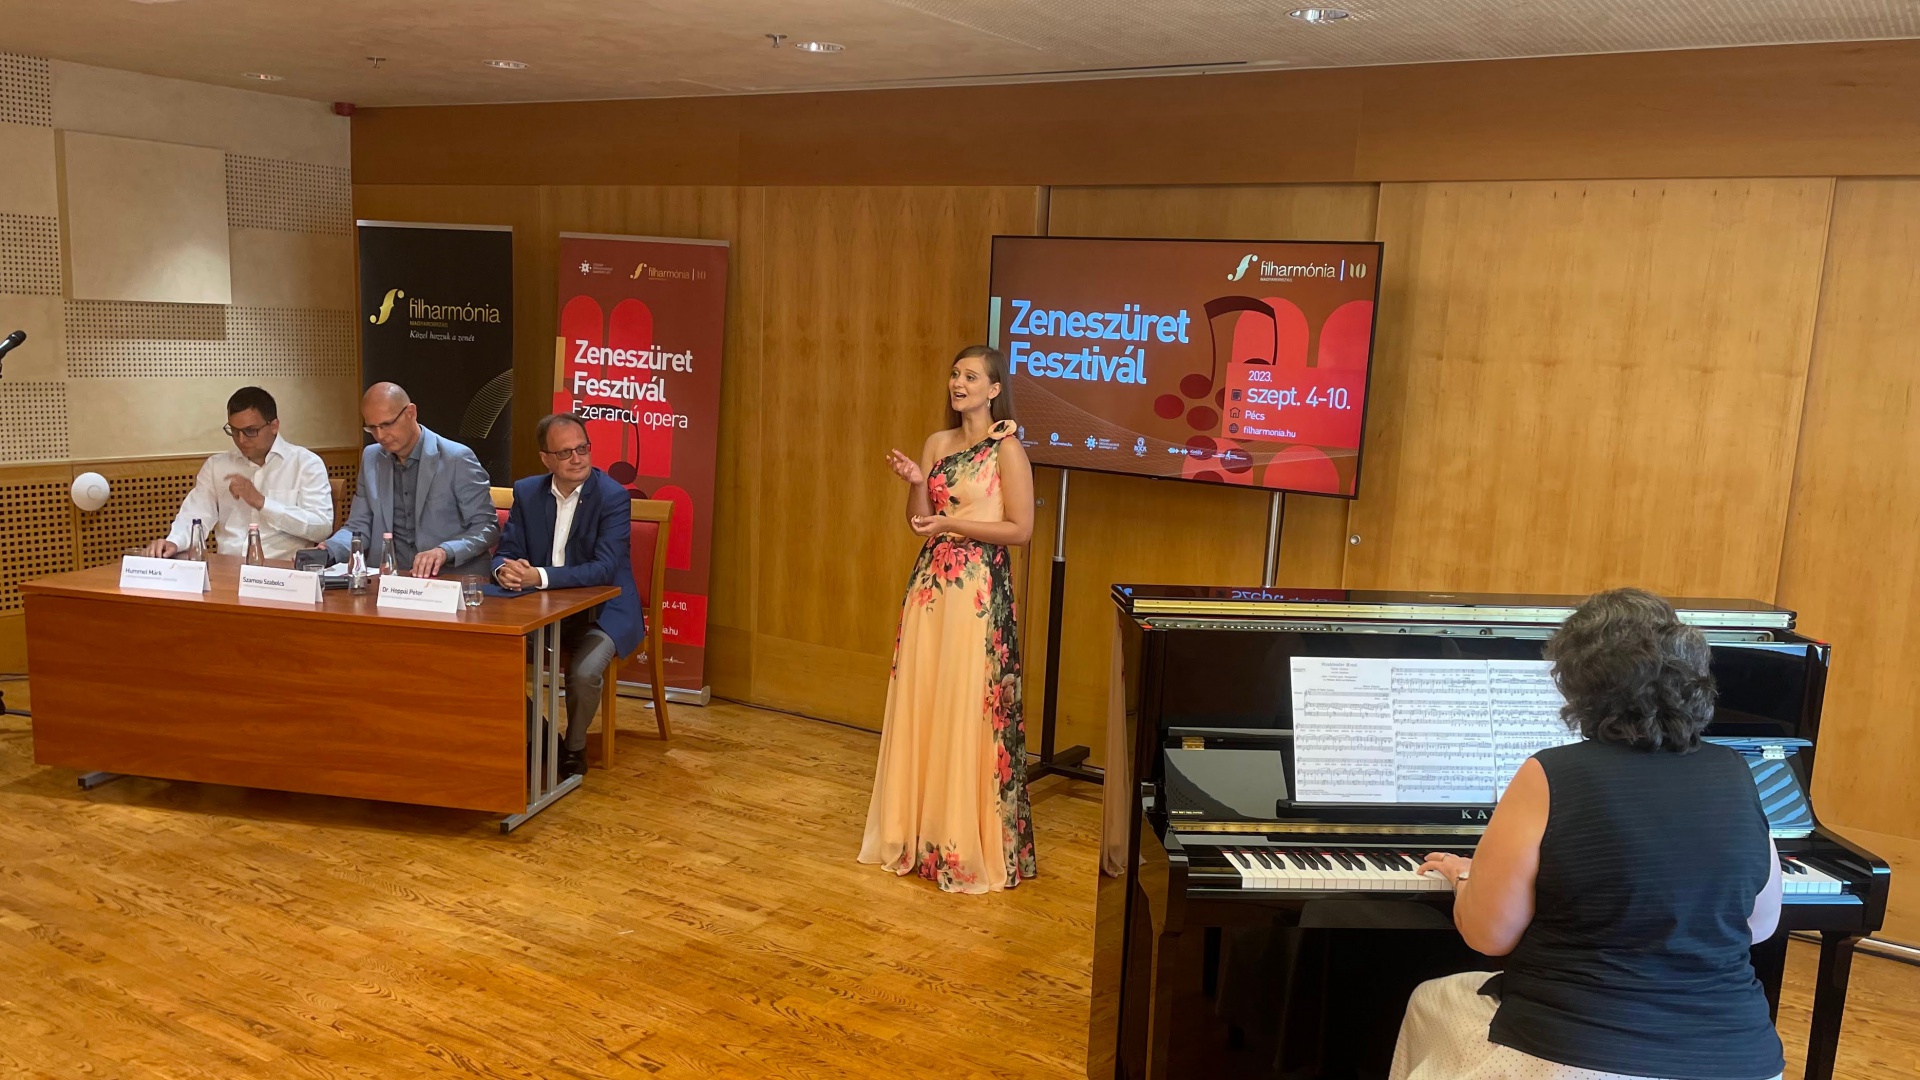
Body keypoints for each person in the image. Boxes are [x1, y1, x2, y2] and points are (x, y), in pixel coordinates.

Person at [1392, 588, 1786, 1080]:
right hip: (1741, 1059)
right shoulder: (1736, 771)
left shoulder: (1551, 773)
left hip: (1580, 1051)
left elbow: (1490, 936)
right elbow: (1761, 923)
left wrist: (1466, 876)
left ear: (1579, 684)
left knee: (1429, 999)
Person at [859, 345, 1037, 894]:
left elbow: (1020, 530)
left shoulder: (1006, 448)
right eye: (955, 374)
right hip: (931, 589)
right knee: (926, 701)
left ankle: (959, 840)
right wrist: (918, 482)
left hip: (977, 592)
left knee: (965, 706)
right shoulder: (938, 443)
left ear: (994, 390)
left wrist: (953, 525)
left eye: (971, 377)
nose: (958, 383)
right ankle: (916, 833)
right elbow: (919, 521)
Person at [493, 413, 643, 778]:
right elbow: (505, 551)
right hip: (540, 610)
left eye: (582, 449)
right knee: (490, 657)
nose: (577, 459)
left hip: (602, 611)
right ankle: (543, 737)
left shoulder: (612, 497)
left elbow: (604, 569)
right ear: (545, 458)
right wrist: (504, 570)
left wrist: (538, 576)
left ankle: (574, 749)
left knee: (585, 671)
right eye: (565, 453)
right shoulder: (527, 492)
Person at [324, 382, 497, 578]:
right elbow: (358, 526)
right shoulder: (372, 458)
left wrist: (445, 551)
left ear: (411, 413)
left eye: (387, 424)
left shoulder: (457, 459)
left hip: (450, 577)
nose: (380, 435)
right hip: (389, 578)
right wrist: (328, 550)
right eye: (372, 428)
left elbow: (486, 527)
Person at [145, 386, 333, 560]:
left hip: (283, 569)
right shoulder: (217, 466)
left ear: (274, 426)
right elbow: (196, 514)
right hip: (228, 567)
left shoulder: (306, 464)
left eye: (250, 431)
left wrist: (262, 502)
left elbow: (322, 528)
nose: (241, 440)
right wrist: (174, 542)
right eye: (234, 431)